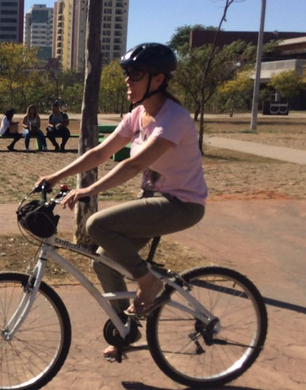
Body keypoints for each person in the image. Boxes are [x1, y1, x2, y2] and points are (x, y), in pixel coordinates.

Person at [37, 43, 207, 360]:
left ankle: (149, 284)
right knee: (104, 259)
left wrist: (88, 191)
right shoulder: (139, 115)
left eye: (136, 74)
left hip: (181, 204)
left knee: (97, 224)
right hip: (154, 200)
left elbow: (133, 165)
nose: (128, 80)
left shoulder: (173, 119)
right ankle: (126, 329)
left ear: (157, 79)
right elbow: (99, 153)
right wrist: (53, 175)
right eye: (126, 73)